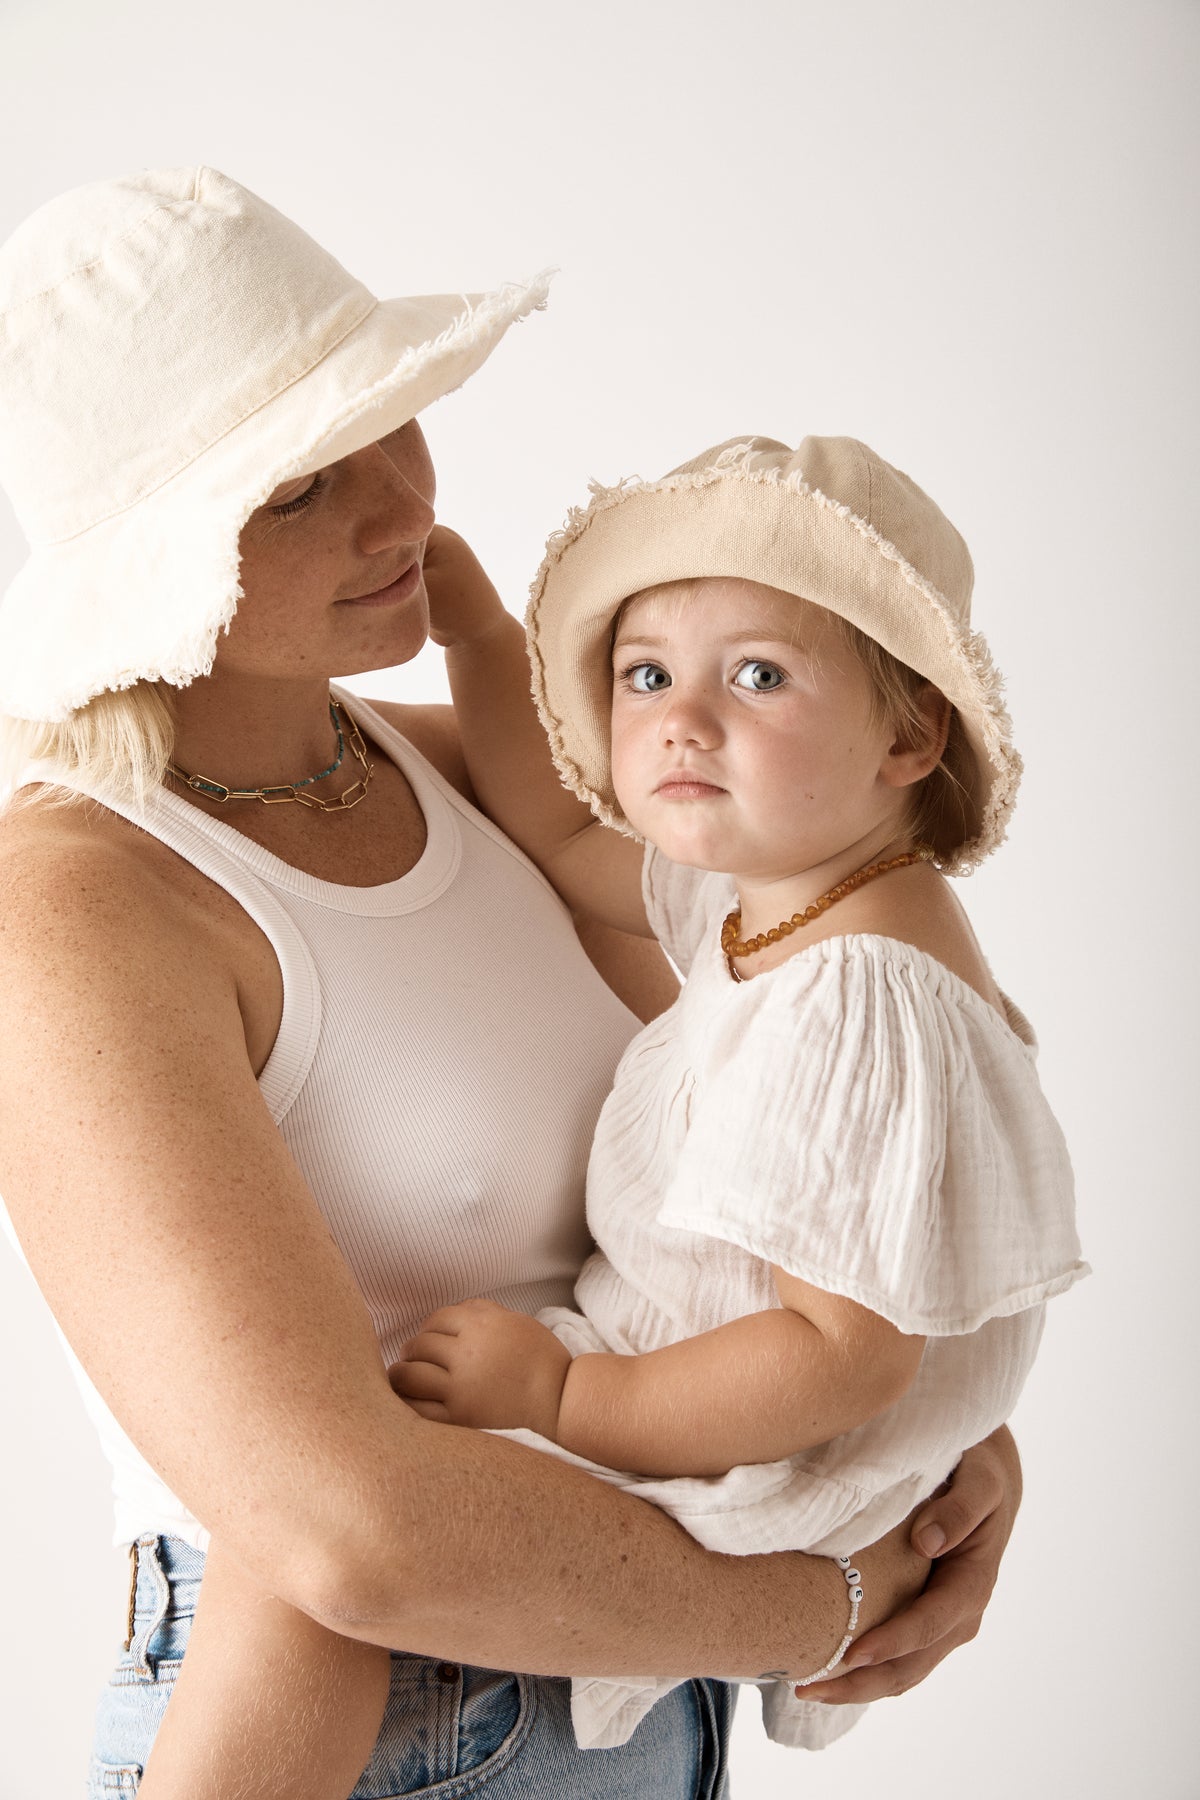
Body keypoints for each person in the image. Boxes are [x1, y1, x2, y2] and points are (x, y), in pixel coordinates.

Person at [0, 167, 1021, 1800]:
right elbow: (345, 1535)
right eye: (301, 488)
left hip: (635, 1685)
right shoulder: (73, 906)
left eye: (389, 426)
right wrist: (821, 1601)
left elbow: (803, 1134)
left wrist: (928, 1446)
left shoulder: (473, 777)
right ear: (151, 559)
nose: (400, 509)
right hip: (376, 1724)